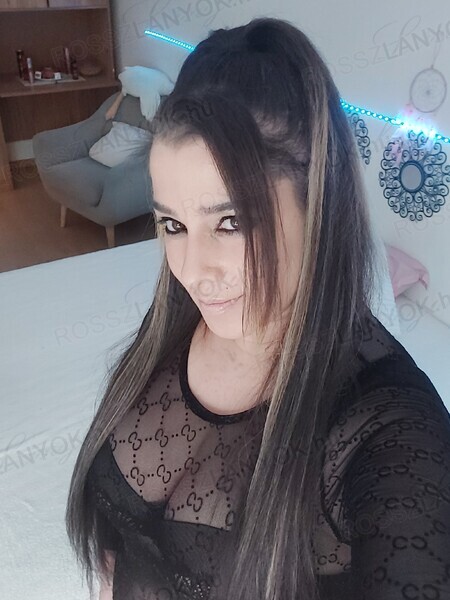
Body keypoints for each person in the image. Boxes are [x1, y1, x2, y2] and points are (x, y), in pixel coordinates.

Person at [65, 17, 450, 600]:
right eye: (173, 224)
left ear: (316, 205)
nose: (193, 270)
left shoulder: (389, 428)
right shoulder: (179, 320)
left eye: (230, 222)